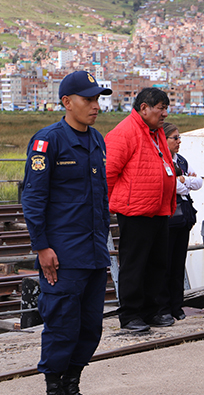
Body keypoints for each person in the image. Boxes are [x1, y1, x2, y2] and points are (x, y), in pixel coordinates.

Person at [22, 70, 112, 395]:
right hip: (62, 255)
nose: (95, 106)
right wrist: (42, 247)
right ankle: (54, 387)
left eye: (97, 99)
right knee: (62, 327)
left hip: (93, 253)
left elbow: (101, 196)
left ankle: (73, 382)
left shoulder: (96, 140)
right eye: (88, 99)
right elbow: (32, 198)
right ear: (67, 102)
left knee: (90, 327)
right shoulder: (49, 141)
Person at [106, 87, 177, 332]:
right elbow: (109, 173)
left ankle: (152, 310)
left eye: (166, 108)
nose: (165, 114)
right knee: (134, 263)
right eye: (161, 108)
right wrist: (114, 203)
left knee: (156, 263)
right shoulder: (125, 132)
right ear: (144, 108)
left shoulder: (155, 132)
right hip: (135, 210)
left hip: (159, 209)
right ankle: (130, 314)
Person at [163, 122, 202, 320]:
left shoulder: (182, 161)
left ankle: (177, 306)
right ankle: (165, 307)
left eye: (179, 138)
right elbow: (170, 185)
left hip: (184, 218)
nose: (179, 141)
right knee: (166, 264)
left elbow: (199, 182)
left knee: (179, 264)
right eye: (175, 138)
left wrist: (183, 180)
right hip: (169, 219)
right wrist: (185, 182)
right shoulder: (162, 159)